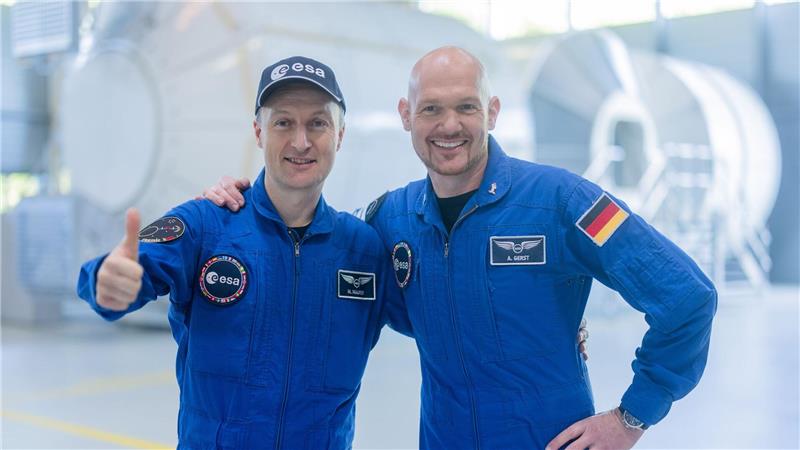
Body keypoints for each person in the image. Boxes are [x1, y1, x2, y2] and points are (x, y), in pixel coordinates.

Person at [205, 47, 715, 450]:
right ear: (407, 115)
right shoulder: (390, 218)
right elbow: (319, 243)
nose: (449, 126)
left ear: (491, 111)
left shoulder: (564, 201)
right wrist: (242, 200)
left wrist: (631, 417)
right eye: (431, 109)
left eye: (466, 107)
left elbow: (686, 295)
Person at [76, 56, 411, 449]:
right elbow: (128, 272)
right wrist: (106, 280)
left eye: (317, 123)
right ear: (258, 132)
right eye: (283, 122)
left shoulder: (364, 250)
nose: (300, 142)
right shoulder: (205, 224)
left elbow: (435, 320)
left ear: (339, 135)